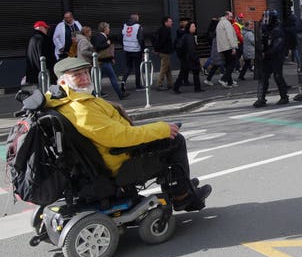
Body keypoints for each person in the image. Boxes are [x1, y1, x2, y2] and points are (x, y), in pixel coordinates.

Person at [46, 57, 212, 211]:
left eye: (85, 72)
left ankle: (180, 185)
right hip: (120, 161)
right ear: (63, 81)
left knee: (165, 137)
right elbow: (119, 137)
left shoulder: (67, 100)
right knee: (175, 140)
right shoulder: (79, 109)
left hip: (110, 153)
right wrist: (162, 129)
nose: (85, 78)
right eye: (77, 75)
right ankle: (181, 196)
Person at [253, 10, 289, 107]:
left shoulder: (278, 29)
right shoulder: (265, 28)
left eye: (267, 17)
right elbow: (261, 39)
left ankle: (284, 97)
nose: (266, 19)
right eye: (265, 17)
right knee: (263, 77)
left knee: (277, 76)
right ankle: (261, 98)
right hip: (267, 57)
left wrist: (267, 53)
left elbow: (277, 46)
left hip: (276, 57)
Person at [92, 22, 128, 100]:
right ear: (104, 29)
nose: (109, 29)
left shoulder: (102, 36)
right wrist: (107, 44)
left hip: (104, 60)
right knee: (113, 78)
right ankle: (120, 94)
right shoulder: (100, 37)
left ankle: (94, 93)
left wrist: (111, 58)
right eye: (108, 28)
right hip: (104, 61)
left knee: (98, 79)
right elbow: (98, 47)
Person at [173, 22, 203, 93]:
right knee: (194, 73)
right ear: (188, 28)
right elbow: (191, 49)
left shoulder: (186, 36)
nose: (195, 28)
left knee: (183, 73)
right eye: (193, 27)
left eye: (194, 26)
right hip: (189, 58)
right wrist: (196, 59)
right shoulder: (189, 37)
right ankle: (197, 88)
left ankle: (176, 87)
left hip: (186, 58)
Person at [25, 20, 57, 86]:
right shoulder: (44, 39)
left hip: (34, 74)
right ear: (41, 28)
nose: (47, 30)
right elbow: (49, 57)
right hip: (45, 74)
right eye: (46, 28)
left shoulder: (31, 39)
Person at [121, 13, 144, 92]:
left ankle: (123, 81)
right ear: (136, 19)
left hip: (127, 49)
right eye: (138, 18)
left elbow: (120, 37)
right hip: (136, 50)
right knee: (137, 67)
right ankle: (138, 85)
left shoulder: (124, 26)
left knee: (128, 66)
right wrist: (143, 49)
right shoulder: (138, 27)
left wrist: (124, 45)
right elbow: (140, 39)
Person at [216, 11, 239, 88]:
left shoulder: (219, 23)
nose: (231, 18)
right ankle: (223, 79)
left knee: (228, 64)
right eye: (230, 16)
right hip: (228, 46)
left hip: (222, 47)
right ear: (226, 16)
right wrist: (233, 47)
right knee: (233, 63)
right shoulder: (226, 23)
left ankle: (230, 82)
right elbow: (230, 36)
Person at [154, 16, 174, 91]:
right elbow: (162, 41)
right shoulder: (166, 30)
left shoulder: (160, 30)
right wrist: (158, 49)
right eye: (170, 21)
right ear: (165, 22)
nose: (171, 22)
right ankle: (159, 84)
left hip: (163, 51)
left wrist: (157, 49)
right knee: (164, 68)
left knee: (167, 68)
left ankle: (170, 83)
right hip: (165, 52)